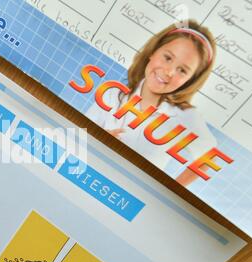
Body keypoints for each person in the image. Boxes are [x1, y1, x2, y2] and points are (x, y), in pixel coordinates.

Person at [86, 20, 216, 186]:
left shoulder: (184, 116)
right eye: (167, 58)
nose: (169, 72)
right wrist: (98, 140)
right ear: (153, 52)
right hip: (90, 178)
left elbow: (208, 158)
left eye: (182, 70)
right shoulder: (112, 94)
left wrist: (172, 190)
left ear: (190, 80)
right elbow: (79, 135)